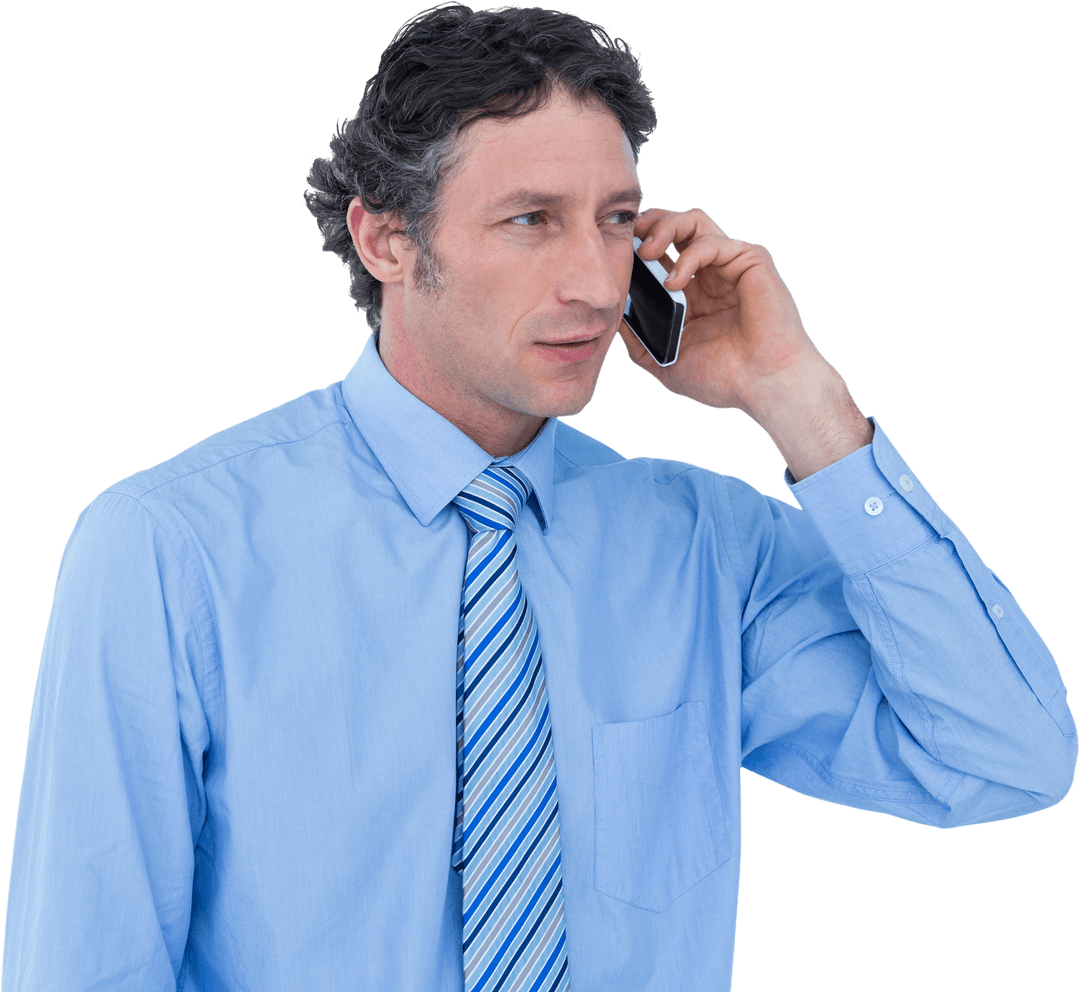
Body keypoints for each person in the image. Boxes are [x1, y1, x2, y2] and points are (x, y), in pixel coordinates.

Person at [3, 4, 1075, 990]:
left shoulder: (701, 545)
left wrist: (799, 400)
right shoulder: (167, 546)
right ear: (387, 237)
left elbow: (1005, 756)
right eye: (531, 220)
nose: (600, 284)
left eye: (616, 219)